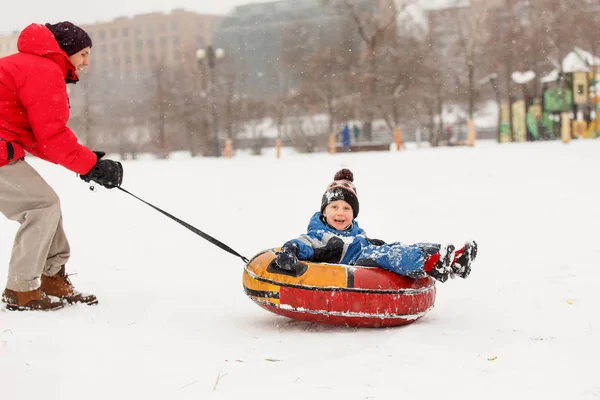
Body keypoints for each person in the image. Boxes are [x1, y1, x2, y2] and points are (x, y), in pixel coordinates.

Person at [0, 22, 123, 311]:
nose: (86, 62)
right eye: (83, 53)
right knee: (41, 206)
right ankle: (21, 289)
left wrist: (86, 164)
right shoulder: (42, 70)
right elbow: (51, 137)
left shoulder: (28, 66)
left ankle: (51, 277)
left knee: (45, 204)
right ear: (65, 51)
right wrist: (90, 165)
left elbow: (37, 138)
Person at [274, 169, 477, 282]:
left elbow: (362, 242)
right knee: (389, 255)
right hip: (356, 265)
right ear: (324, 212)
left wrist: (374, 242)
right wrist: (289, 250)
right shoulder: (318, 235)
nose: (340, 213)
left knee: (395, 247)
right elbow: (300, 243)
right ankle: (432, 263)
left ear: (353, 214)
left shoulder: (355, 231)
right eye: (334, 207)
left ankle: (454, 259)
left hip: (367, 252)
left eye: (346, 209)